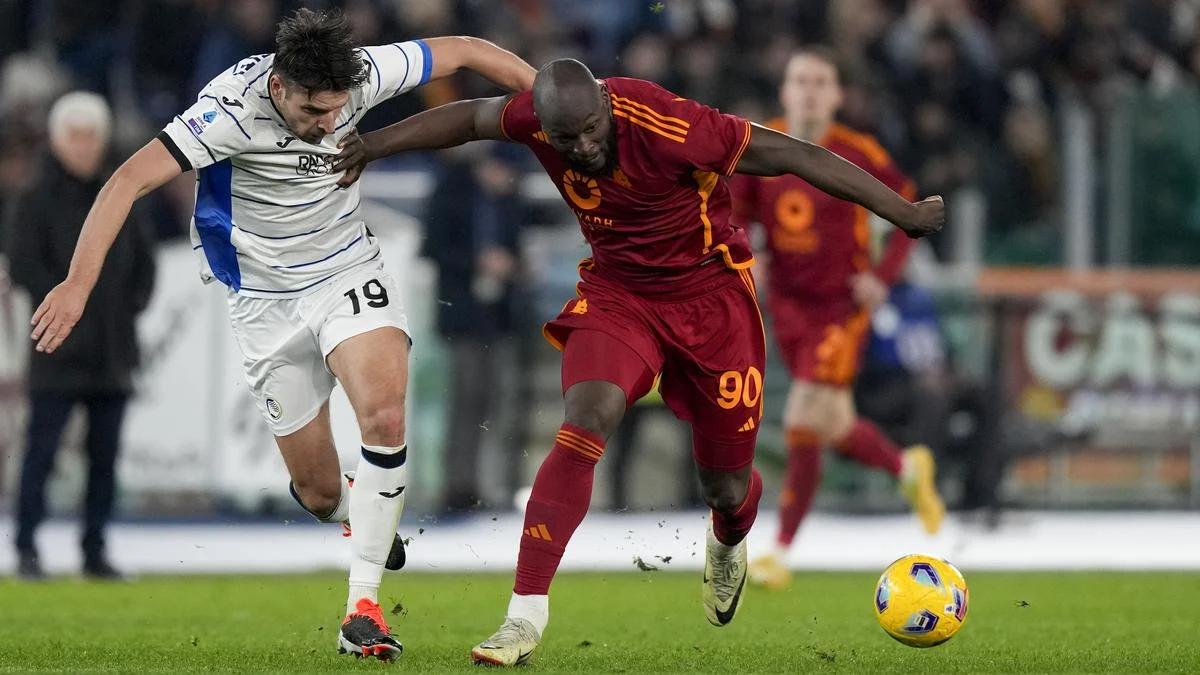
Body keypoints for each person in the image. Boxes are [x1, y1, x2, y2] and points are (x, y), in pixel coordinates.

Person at [334, 57, 944, 666]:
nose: (580, 147)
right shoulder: (536, 120)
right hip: (619, 295)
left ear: (605, 104)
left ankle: (729, 537)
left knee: (726, 486)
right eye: (564, 138)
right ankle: (523, 615)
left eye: (590, 130)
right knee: (585, 420)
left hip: (712, 303)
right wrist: (372, 145)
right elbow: (469, 118)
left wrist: (903, 215)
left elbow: (795, 155)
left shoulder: (672, 125)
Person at [26, 8, 535, 660]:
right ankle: (358, 517)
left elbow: (466, 49)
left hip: (347, 269)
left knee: (383, 413)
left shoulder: (362, 72)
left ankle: (363, 607)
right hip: (264, 301)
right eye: (315, 112)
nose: (330, 125)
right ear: (278, 88)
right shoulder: (228, 110)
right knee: (319, 490)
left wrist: (551, 94)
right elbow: (127, 179)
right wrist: (77, 282)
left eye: (338, 110)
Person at [730, 48, 946, 592]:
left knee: (803, 416)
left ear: (836, 95)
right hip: (786, 304)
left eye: (819, 82)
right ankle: (906, 469)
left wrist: (884, 275)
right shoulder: (762, 145)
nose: (807, 90)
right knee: (833, 423)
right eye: (798, 80)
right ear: (783, 91)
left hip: (840, 306)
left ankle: (779, 550)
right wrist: (743, 257)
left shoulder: (858, 151)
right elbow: (738, 214)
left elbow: (906, 210)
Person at [6, 92, 156, 581]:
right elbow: (26, 265)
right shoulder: (34, 199)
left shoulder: (122, 194)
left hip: (112, 352)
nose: (86, 146)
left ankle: (95, 550)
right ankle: (26, 547)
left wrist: (121, 311)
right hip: (57, 349)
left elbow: (143, 266)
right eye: (76, 135)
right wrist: (71, 309)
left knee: (105, 459)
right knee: (42, 452)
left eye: (93, 135)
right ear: (56, 139)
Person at [421, 143, 527, 514]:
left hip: (500, 316)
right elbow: (432, 247)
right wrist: (476, 262)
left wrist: (515, 267)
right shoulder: (452, 189)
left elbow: (517, 245)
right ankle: (459, 488)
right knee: (465, 401)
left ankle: (497, 486)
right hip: (464, 316)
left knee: (499, 402)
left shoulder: (509, 196)